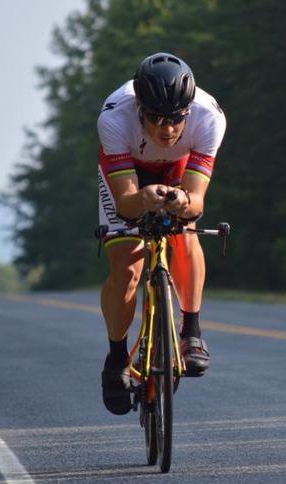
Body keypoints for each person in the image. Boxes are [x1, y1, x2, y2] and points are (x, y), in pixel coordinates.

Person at [97, 52, 226, 415]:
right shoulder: (114, 119)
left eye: (175, 119)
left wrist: (183, 201)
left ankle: (192, 332)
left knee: (186, 233)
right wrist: (142, 199)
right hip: (129, 173)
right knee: (127, 265)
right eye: (155, 118)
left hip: (178, 171)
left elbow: (197, 201)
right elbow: (124, 203)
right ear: (139, 108)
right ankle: (117, 358)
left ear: (188, 111)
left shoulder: (209, 118)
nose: (166, 129)